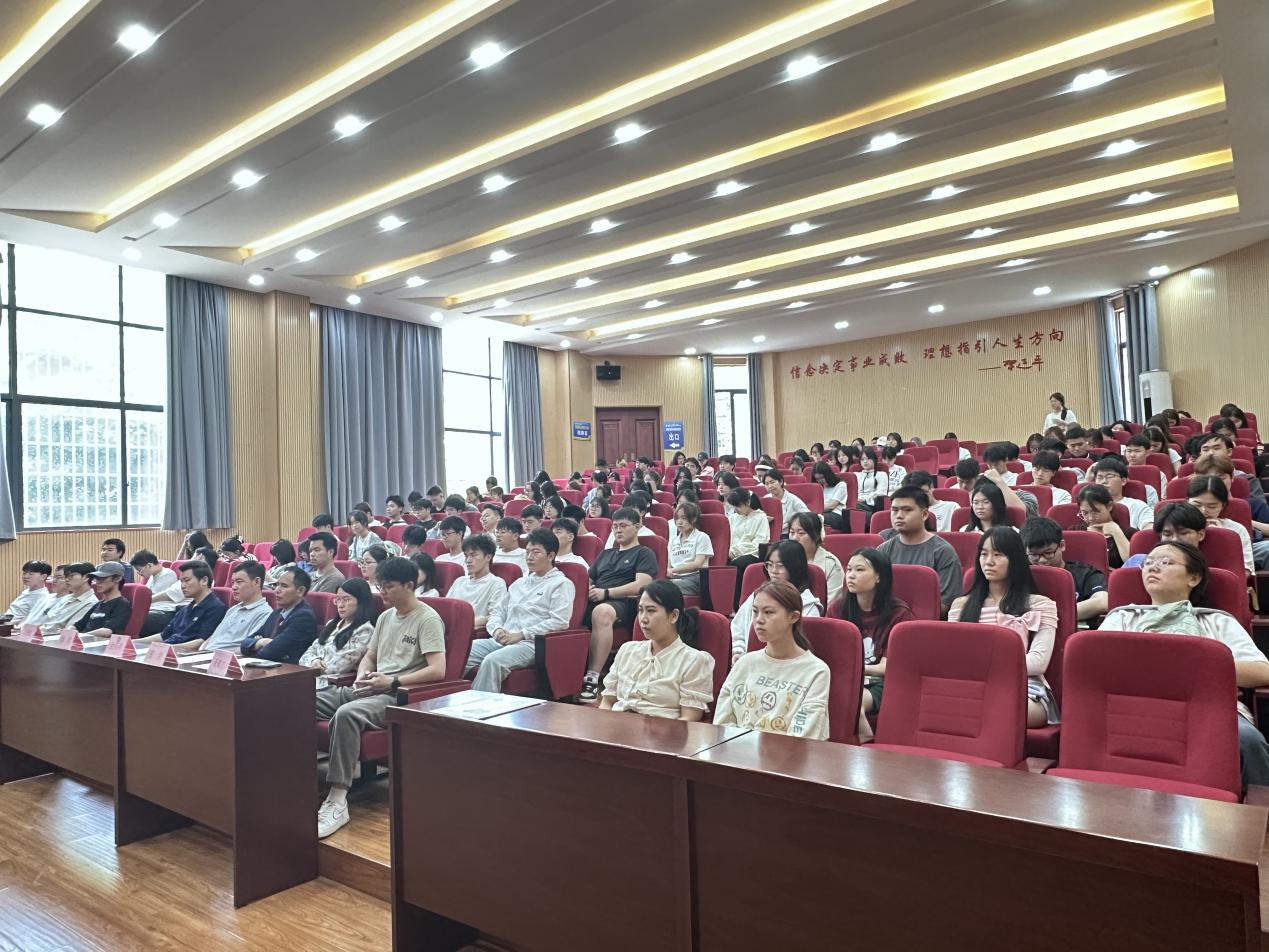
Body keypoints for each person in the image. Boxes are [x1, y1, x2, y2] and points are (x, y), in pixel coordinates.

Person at [1102, 541, 1269, 785]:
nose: (1152, 568)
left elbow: (1262, 672)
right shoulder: (1123, 617)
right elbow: (1098, 667)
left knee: (1247, 740)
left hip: (1209, 708)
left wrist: (1194, 664)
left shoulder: (1217, 621)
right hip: (1133, 706)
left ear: (1194, 578)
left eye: (1165, 562)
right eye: (1148, 563)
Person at [316, 557, 447, 837]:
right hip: (371, 686)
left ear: (409, 585)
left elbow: (438, 670)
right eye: (380, 585)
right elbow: (370, 656)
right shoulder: (386, 617)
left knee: (347, 715)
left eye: (388, 586)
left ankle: (337, 800)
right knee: (300, 697)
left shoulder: (427, 619)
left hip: (397, 694)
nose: (382, 592)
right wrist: (363, 674)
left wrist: (393, 681)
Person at [949, 528, 1059, 728]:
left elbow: (1038, 662)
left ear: (1015, 559)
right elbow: (954, 658)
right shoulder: (960, 605)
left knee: (1001, 711)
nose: (988, 561)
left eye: (998, 554)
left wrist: (984, 667)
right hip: (972, 685)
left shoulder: (1041, 604)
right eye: (984, 554)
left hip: (1024, 686)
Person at [715, 580, 830, 740]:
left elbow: (804, 735)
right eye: (755, 612)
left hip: (789, 754)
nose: (759, 620)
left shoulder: (816, 671)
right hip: (737, 751)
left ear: (793, 616)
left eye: (768, 612)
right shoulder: (745, 663)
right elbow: (722, 723)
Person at [466, 528, 574, 693]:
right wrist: (497, 629)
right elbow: (498, 612)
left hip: (531, 644)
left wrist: (522, 634)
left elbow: (560, 622)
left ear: (551, 556)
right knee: (463, 652)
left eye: (536, 552)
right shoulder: (519, 583)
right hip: (502, 639)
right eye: (528, 552)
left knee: (493, 661)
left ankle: (478, 707)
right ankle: (447, 699)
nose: (529, 557)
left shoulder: (561, 584)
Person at [599, 580, 714, 719]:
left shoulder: (694, 660)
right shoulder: (627, 651)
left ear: (673, 616)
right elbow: (607, 702)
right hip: (617, 727)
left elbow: (689, 719)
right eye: (640, 610)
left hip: (662, 730)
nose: (643, 619)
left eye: (651, 611)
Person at [580, 507, 658, 701]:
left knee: (602, 612)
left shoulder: (644, 553)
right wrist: (587, 590)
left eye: (623, 525)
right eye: (614, 526)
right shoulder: (606, 554)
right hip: (595, 598)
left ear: (637, 526)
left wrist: (606, 593)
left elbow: (642, 585)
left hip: (624, 603)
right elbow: (587, 579)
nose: (618, 530)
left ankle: (592, 678)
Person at [835, 548, 913, 718]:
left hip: (880, 682)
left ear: (879, 576)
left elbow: (888, 667)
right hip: (843, 678)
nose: (851, 575)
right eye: (849, 569)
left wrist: (857, 669)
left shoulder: (899, 613)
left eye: (859, 570)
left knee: (852, 704)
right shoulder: (837, 609)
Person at [730, 540, 822, 662]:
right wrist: (738, 651)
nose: (773, 570)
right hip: (749, 660)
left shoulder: (808, 605)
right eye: (770, 564)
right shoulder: (759, 596)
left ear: (795, 567)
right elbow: (738, 626)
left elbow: (801, 644)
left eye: (780, 565)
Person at [877, 487, 962, 612]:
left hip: (925, 620)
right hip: (886, 617)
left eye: (907, 510)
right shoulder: (883, 550)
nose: (899, 516)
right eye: (894, 510)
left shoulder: (943, 552)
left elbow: (946, 603)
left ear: (924, 514)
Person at [1021, 517, 1108, 623]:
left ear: (1062, 545)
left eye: (1048, 553)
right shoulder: (1021, 575)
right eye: (1034, 555)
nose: (1042, 560)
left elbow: (1103, 602)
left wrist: (1050, 616)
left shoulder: (1085, 573)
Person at [299, 578, 378, 688]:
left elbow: (339, 667)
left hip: (331, 685)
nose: (340, 605)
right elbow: (306, 654)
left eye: (346, 600)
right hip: (311, 678)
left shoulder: (365, 631)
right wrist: (314, 661)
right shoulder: (331, 624)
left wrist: (316, 667)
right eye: (338, 599)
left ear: (361, 601)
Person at [136, 561, 228, 646]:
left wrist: (166, 649)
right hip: (168, 649)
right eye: (181, 581)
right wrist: (134, 642)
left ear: (204, 581)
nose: (182, 586)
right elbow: (163, 636)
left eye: (187, 580)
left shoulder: (216, 608)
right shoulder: (185, 609)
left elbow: (202, 642)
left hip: (184, 655)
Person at [241, 567, 318, 662]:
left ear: (300, 591)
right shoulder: (277, 613)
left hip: (286, 669)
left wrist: (254, 647)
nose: (277, 590)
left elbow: (270, 653)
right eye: (276, 585)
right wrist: (261, 642)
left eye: (284, 586)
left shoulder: (304, 617)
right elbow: (244, 643)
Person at [199, 561, 276, 653]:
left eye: (239, 582)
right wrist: (201, 651)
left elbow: (249, 648)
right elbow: (215, 637)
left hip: (224, 658)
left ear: (257, 582)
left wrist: (213, 655)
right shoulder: (233, 609)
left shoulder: (264, 614)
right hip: (205, 655)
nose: (234, 587)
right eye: (232, 582)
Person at [1187, 476, 1254, 575]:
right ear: (1187, 502)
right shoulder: (1175, 527)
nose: (1203, 511)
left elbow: (1245, 571)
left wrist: (1222, 538)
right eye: (1197, 505)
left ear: (1222, 506)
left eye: (1212, 507)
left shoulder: (1236, 529)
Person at [446, 535, 508, 633]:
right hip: (448, 629)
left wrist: (466, 624)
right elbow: (446, 609)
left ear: (488, 557)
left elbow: (495, 616)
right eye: (466, 556)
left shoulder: (496, 583)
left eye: (473, 555)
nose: (468, 560)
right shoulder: (459, 581)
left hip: (470, 632)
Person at [787, 511, 844, 605]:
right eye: (792, 532)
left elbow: (832, 603)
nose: (794, 538)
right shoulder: (785, 559)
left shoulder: (830, 563)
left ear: (816, 536)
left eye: (801, 533)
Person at [1073, 484, 1131, 569]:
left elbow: (1132, 563)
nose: (1090, 518)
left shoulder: (1128, 533)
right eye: (1085, 513)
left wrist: (1116, 532)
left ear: (1109, 506)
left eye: (1095, 512)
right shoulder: (1075, 532)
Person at [128, 550, 186, 635]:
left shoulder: (167, 574)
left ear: (149, 565)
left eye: (140, 570)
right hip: (154, 609)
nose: (140, 574)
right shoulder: (153, 576)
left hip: (163, 610)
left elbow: (150, 598)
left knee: (133, 618)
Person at [74, 562, 134, 638]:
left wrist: (81, 636)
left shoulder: (122, 604)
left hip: (97, 643)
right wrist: (68, 631)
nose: (97, 582)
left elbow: (107, 631)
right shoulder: (98, 604)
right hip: (84, 640)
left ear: (118, 578)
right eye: (96, 578)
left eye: (102, 578)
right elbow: (77, 625)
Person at [1091, 457, 1154, 529]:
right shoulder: (1087, 507)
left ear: (1123, 481)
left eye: (1109, 476)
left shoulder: (1137, 506)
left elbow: (1149, 530)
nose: (1104, 481)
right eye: (1100, 477)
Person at [666, 502, 714, 595]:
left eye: (683, 518)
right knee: (652, 585)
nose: (679, 522)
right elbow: (668, 563)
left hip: (695, 577)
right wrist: (668, 570)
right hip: (674, 577)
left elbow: (697, 564)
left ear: (694, 519)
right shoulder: (673, 540)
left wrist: (673, 570)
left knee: (665, 588)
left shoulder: (702, 537)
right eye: (677, 518)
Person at [726, 488, 768, 578]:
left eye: (738, 506)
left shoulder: (760, 517)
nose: (735, 510)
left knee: (738, 563)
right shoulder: (733, 518)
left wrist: (735, 552)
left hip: (752, 553)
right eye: (734, 506)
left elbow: (760, 542)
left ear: (748, 502)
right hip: (731, 553)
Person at [762, 470, 808, 535]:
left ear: (781, 482)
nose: (770, 486)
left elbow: (807, 515)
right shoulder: (765, 499)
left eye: (772, 482)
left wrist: (793, 522)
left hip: (787, 534)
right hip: (769, 534)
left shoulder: (792, 499)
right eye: (766, 484)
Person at [810, 461, 849, 531]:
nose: (820, 481)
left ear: (828, 474)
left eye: (822, 477)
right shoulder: (819, 487)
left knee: (812, 519)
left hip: (836, 515)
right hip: (821, 513)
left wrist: (814, 509)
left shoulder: (841, 485)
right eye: (817, 479)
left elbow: (831, 506)